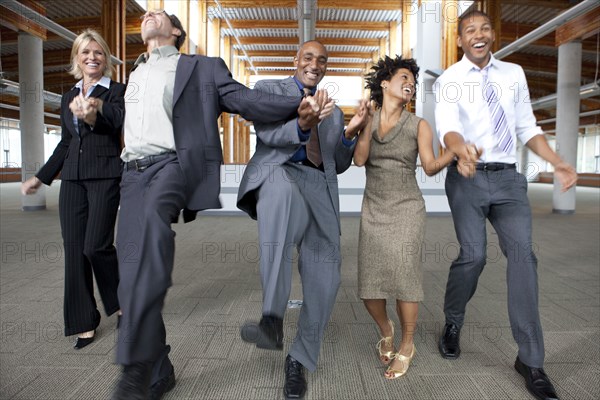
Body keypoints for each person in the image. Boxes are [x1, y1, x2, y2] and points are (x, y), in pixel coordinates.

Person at [111, 10, 302, 400]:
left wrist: (299, 105)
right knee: (129, 272)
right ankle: (160, 367)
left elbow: (246, 100)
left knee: (151, 227)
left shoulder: (200, 67)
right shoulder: (134, 74)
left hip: (173, 164)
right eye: (147, 12)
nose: (149, 13)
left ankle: (136, 366)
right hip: (131, 174)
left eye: (159, 13)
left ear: (177, 31)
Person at [434, 10, 577, 400]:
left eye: (483, 28)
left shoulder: (513, 74)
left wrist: (557, 160)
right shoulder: (449, 80)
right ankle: (452, 320)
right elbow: (447, 126)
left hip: (510, 179)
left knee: (523, 258)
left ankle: (531, 360)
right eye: (469, 31)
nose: (478, 35)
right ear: (461, 40)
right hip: (468, 175)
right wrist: (460, 150)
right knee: (474, 256)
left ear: (492, 34)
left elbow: (526, 127)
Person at [237, 40, 369, 399]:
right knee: (280, 198)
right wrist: (301, 124)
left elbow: (337, 164)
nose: (315, 64)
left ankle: (299, 359)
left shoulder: (335, 110)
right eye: (308, 57)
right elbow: (267, 134)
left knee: (326, 278)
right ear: (296, 60)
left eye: (322, 60)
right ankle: (272, 319)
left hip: (319, 188)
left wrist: (349, 131)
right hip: (281, 173)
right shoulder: (269, 89)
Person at [21, 29, 123, 350]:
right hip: (73, 180)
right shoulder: (67, 97)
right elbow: (65, 143)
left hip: (106, 175)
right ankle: (83, 320)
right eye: (85, 53)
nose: (92, 57)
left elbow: (118, 122)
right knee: (75, 252)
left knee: (96, 246)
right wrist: (41, 177)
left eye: (98, 53)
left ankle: (122, 303)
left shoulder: (118, 91)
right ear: (76, 59)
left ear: (105, 59)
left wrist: (93, 114)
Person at [354, 55, 455, 380]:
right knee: (370, 287)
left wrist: (454, 151)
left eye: (413, 80)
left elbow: (429, 166)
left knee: (405, 280)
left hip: (408, 209)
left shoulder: (418, 125)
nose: (409, 83)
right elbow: (359, 160)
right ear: (384, 82)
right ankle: (386, 329)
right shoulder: (368, 118)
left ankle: (408, 344)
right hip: (374, 208)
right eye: (403, 77)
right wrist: (365, 124)